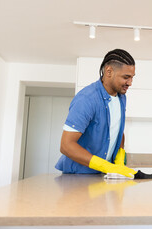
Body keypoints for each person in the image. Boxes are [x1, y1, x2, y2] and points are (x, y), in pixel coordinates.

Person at [55, 49, 137, 178]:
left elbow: (117, 130)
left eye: (132, 77)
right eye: (126, 77)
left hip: (103, 175)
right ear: (109, 71)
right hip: (78, 177)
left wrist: (120, 161)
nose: (130, 83)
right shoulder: (86, 99)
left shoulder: (121, 97)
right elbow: (66, 145)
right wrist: (106, 166)